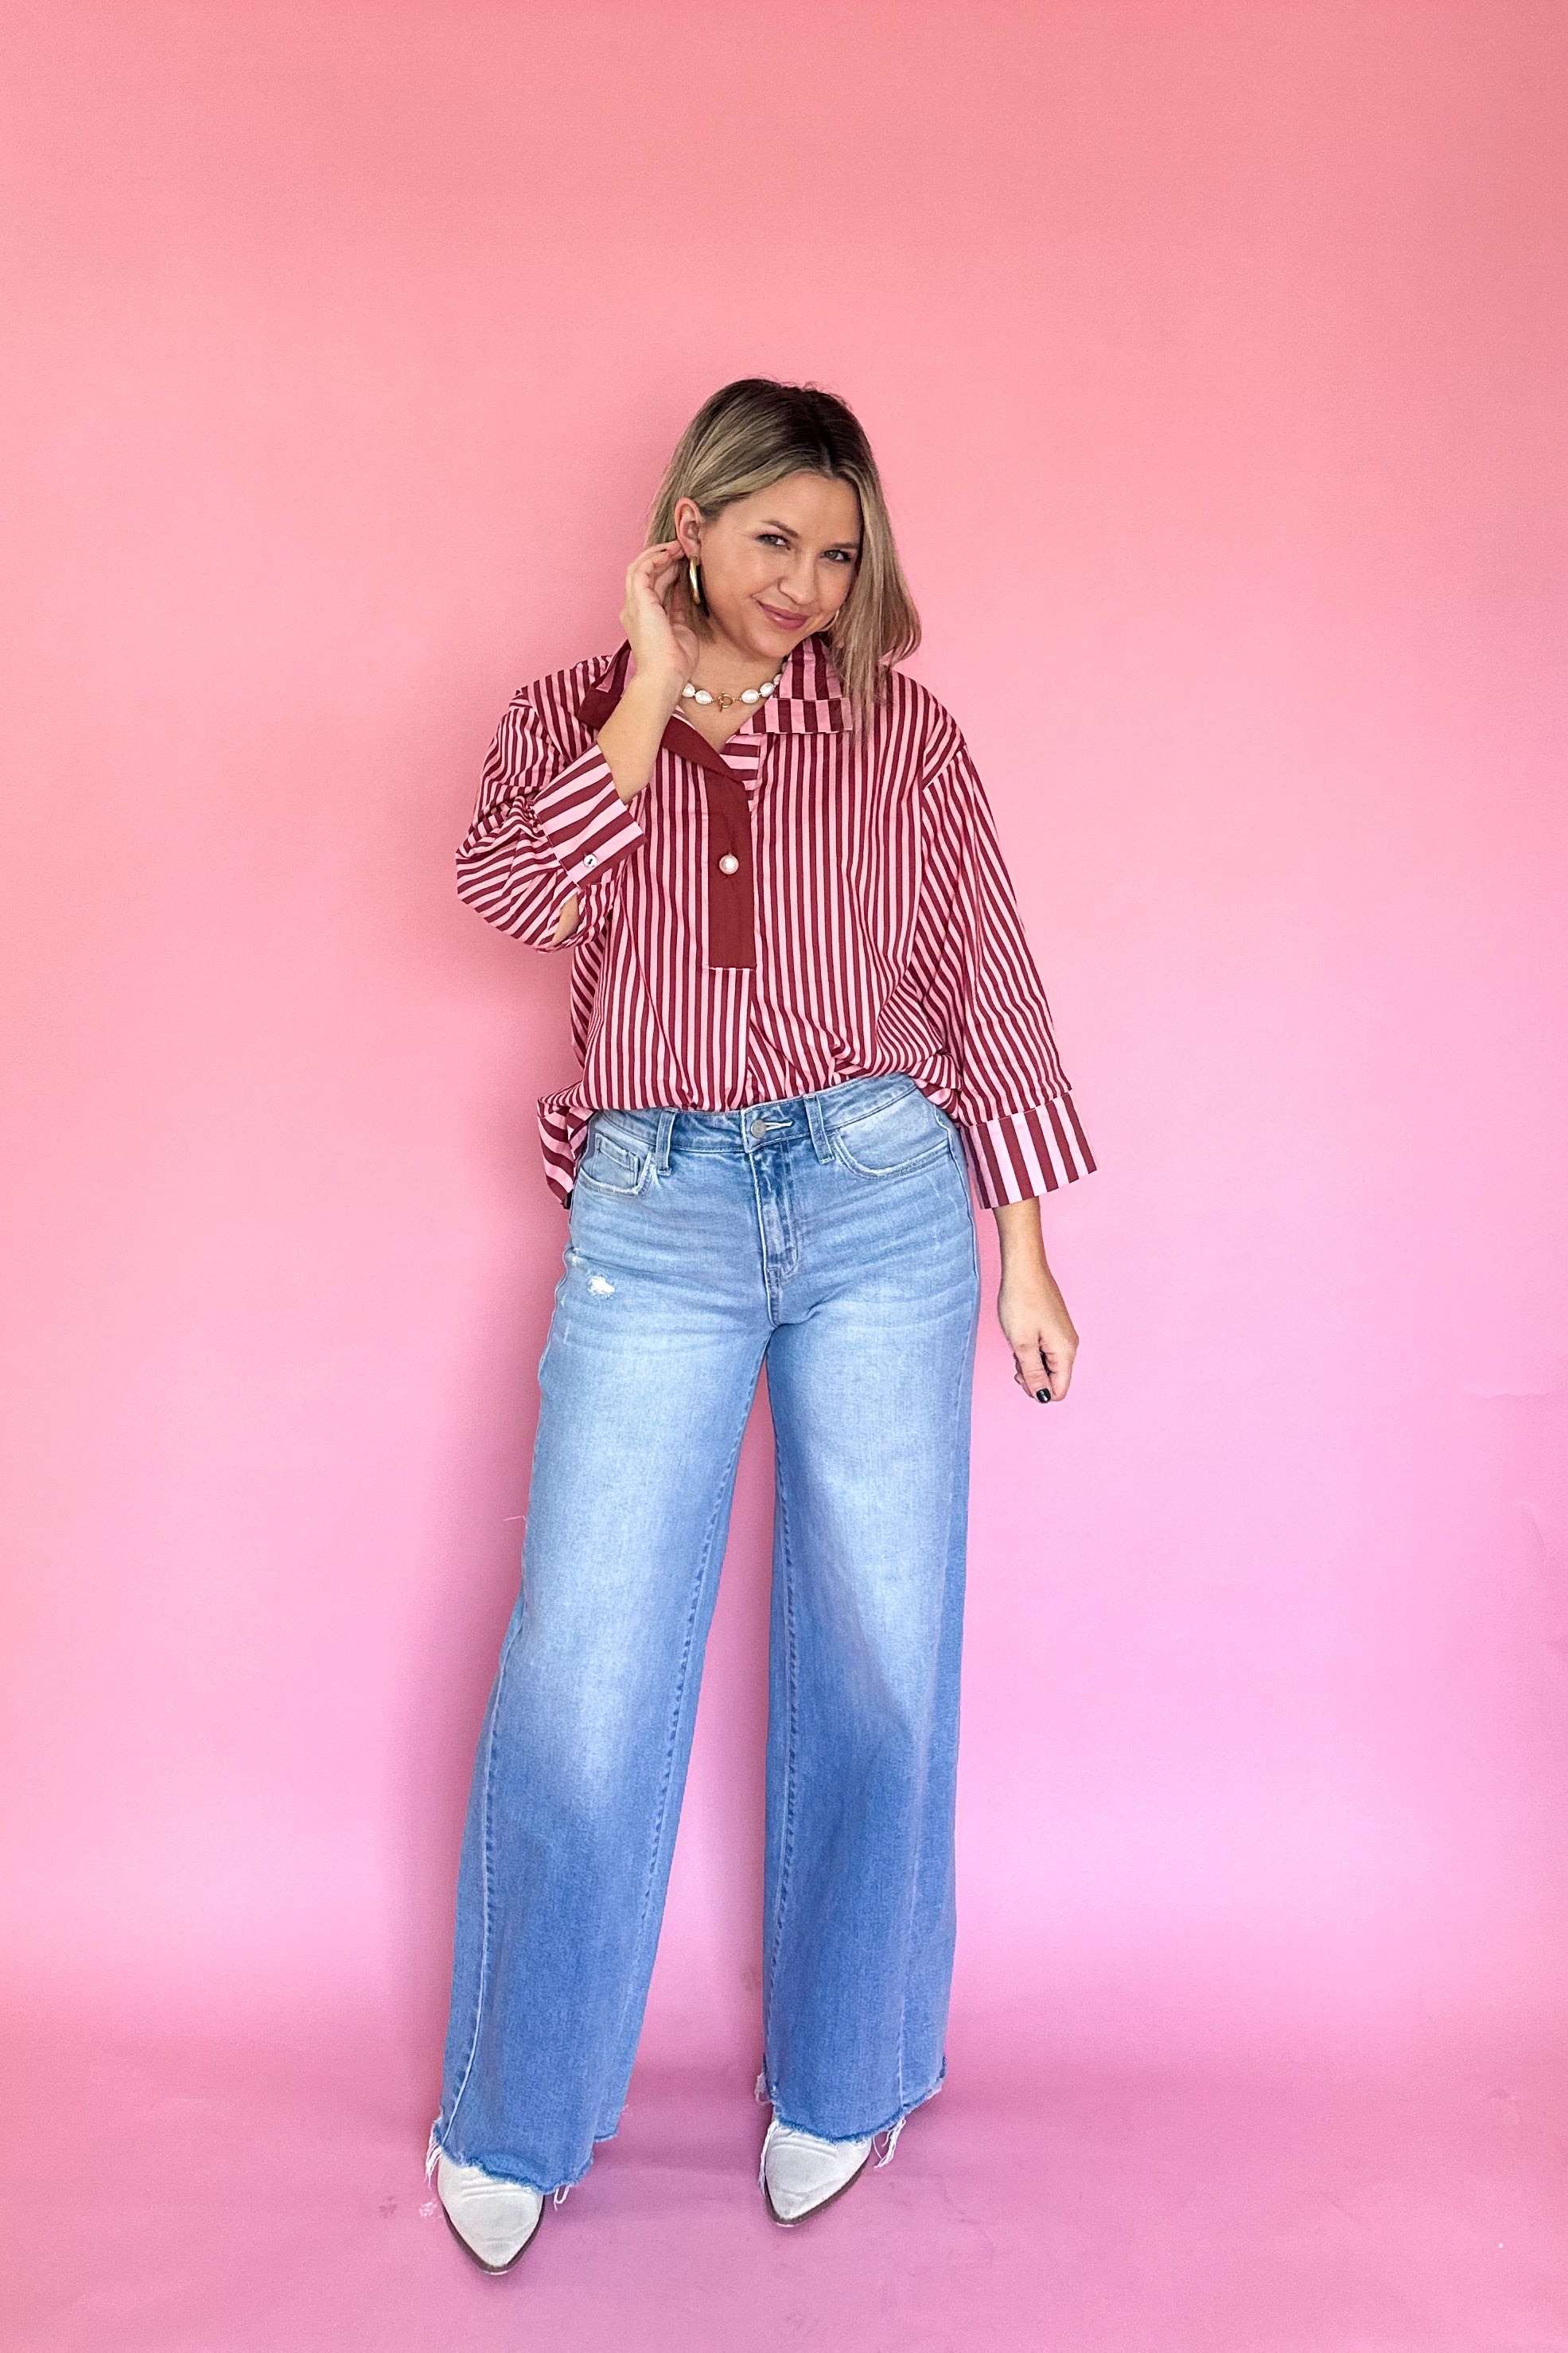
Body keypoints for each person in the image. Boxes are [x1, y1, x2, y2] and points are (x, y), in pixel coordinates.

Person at [427, 378, 1095, 2271]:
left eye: (837, 551)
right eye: (772, 540)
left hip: (883, 1194)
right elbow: (509, 897)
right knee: (583, 1661)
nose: (805, 584)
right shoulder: (568, 718)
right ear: (690, 527)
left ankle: (850, 2072)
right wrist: (649, 692)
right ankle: (516, 2108)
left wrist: (1022, 1251)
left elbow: (985, 982)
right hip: (654, 1210)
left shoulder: (901, 734)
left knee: (879, 1647)